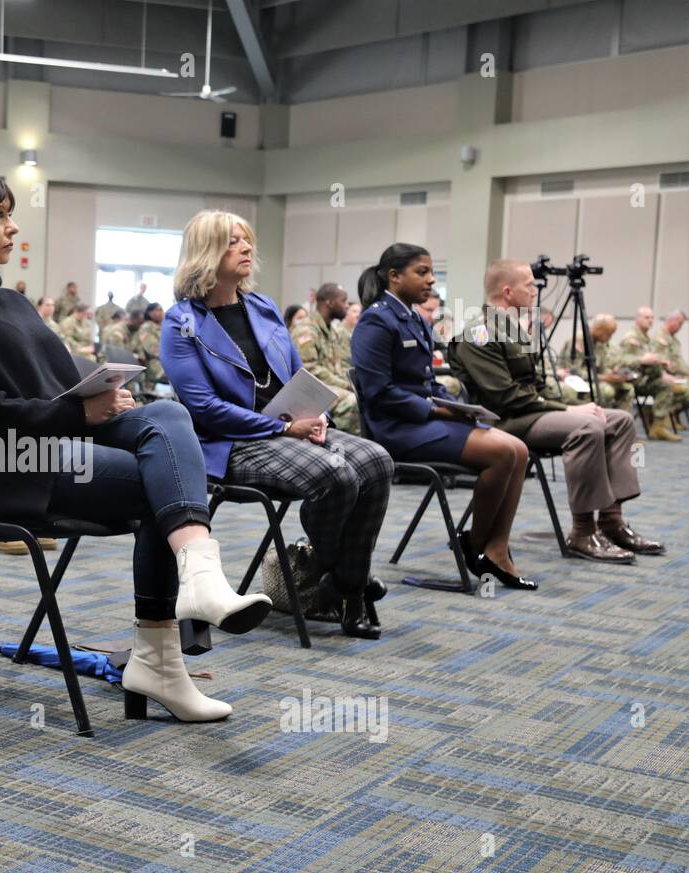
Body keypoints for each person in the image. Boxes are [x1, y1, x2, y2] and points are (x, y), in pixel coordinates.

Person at [0, 171, 271, 722]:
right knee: (161, 486)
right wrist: (74, 412)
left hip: (52, 440)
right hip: (1, 464)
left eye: (10, 213)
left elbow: (61, 375)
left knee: (167, 415)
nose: (12, 227)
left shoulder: (12, 301)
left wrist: (106, 392)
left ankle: (197, 580)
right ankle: (162, 658)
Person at [161, 212, 393, 638]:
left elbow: (298, 374)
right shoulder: (181, 322)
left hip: (290, 429)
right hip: (230, 442)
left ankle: (342, 582)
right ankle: (348, 585)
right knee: (337, 474)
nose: (248, 248)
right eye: (234, 242)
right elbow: (203, 408)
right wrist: (283, 430)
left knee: (377, 461)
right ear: (206, 253)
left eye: (248, 240)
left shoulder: (263, 306)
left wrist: (316, 412)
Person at [448, 259, 662, 563]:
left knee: (620, 420)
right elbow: (505, 397)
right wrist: (569, 411)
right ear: (507, 292)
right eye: (529, 285)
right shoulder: (478, 334)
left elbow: (537, 386)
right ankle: (583, 532)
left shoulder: (518, 329)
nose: (536, 291)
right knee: (587, 427)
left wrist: (576, 405)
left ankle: (611, 521)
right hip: (503, 423)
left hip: (531, 414)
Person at [352, 243, 537, 589]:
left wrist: (456, 405)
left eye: (431, 272)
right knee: (502, 452)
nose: (431, 280)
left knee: (520, 451)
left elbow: (425, 381)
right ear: (394, 277)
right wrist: (435, 408)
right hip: (396, 430)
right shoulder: (376, 320)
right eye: (421, 272)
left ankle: (497, 550)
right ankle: (474, 545)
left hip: (426, 421)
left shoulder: (413, 318)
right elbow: (378, 392)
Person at [289, 283, 359, 434]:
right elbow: (309, 371)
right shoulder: (306, 330)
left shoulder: (332, 330)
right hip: (310, 389)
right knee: (353, 401)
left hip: (329, 386)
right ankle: (338, 445)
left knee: (364, 395)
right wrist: (346, 386)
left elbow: (337, 367)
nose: (347, 306)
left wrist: (351, 383)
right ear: (330, 302)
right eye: (344, 301)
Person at [618, 306, 686, 442]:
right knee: (628, 391)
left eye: (652, 318)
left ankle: (657, 427)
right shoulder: (631, 338)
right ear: (638, 319)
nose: (650, 321)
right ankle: (627, 434)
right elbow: (622, 362)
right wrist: (642, 360)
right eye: (646, 317)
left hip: (645, 379)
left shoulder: (645, 338)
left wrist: (660, 363)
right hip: (632, 380)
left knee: (665, 385)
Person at [132, 303, 167, 387]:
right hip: (155, 366)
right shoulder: (147, 327)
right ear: (149, 313)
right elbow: (153, 350)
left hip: (164, 362)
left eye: (161, 310)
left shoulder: (162, 327)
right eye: (158, 310)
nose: (161, 312)